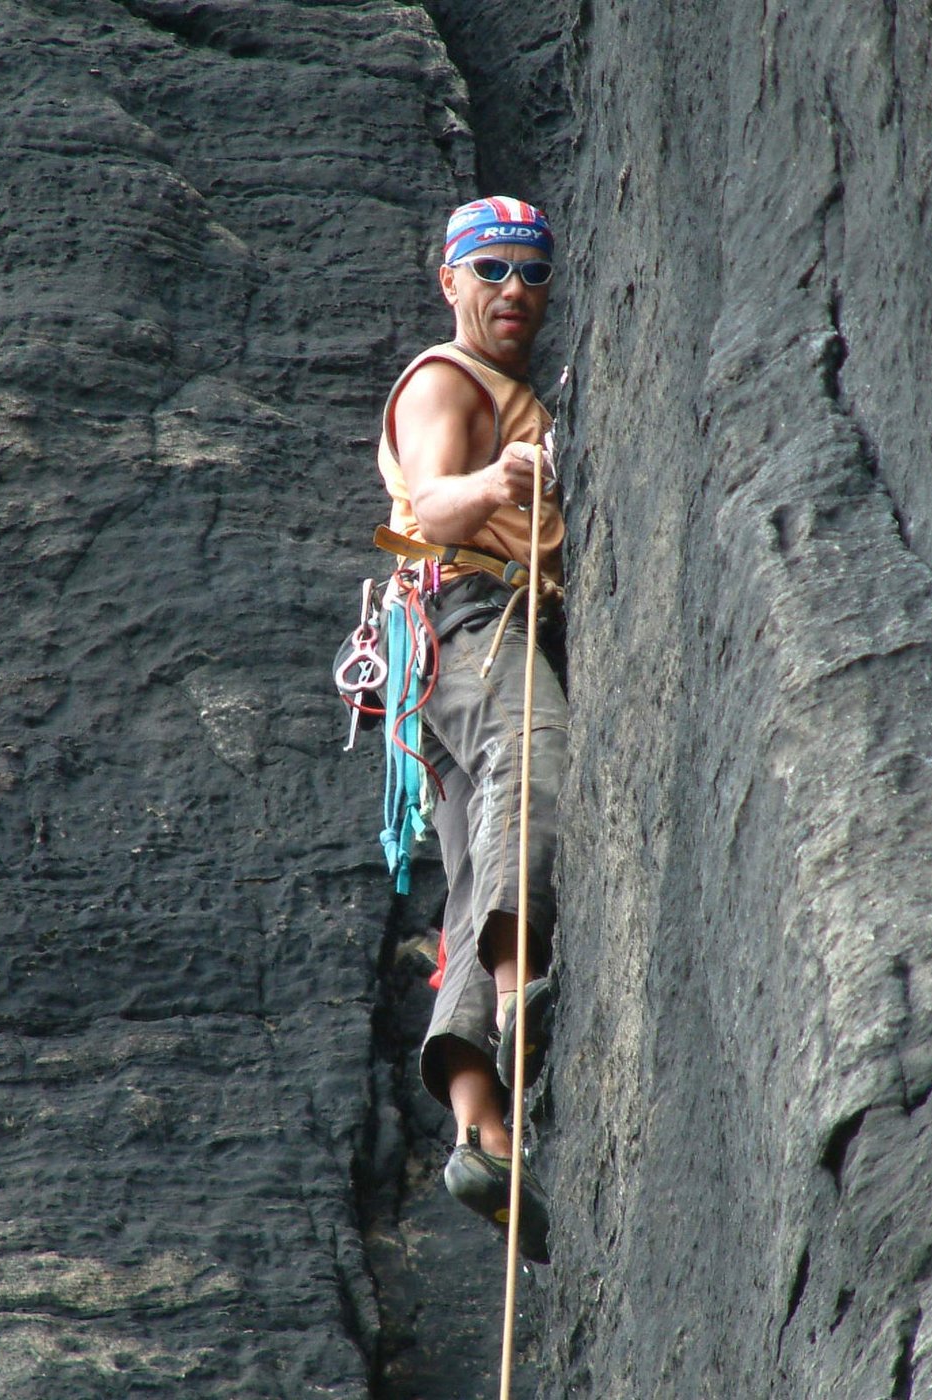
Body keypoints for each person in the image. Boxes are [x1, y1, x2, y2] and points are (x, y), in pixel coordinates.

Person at [376, 197, 567, 1264]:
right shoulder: (449, 381)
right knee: (535, 762)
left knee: (465, 870)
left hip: (437, 652)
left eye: (532, 272)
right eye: (488, 267)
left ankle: (482, 1130)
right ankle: (517, 993)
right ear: (449, 280)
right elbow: (425, 505)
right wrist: (496, 482)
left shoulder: (512, 387)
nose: (512, 289)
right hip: (471, 612)